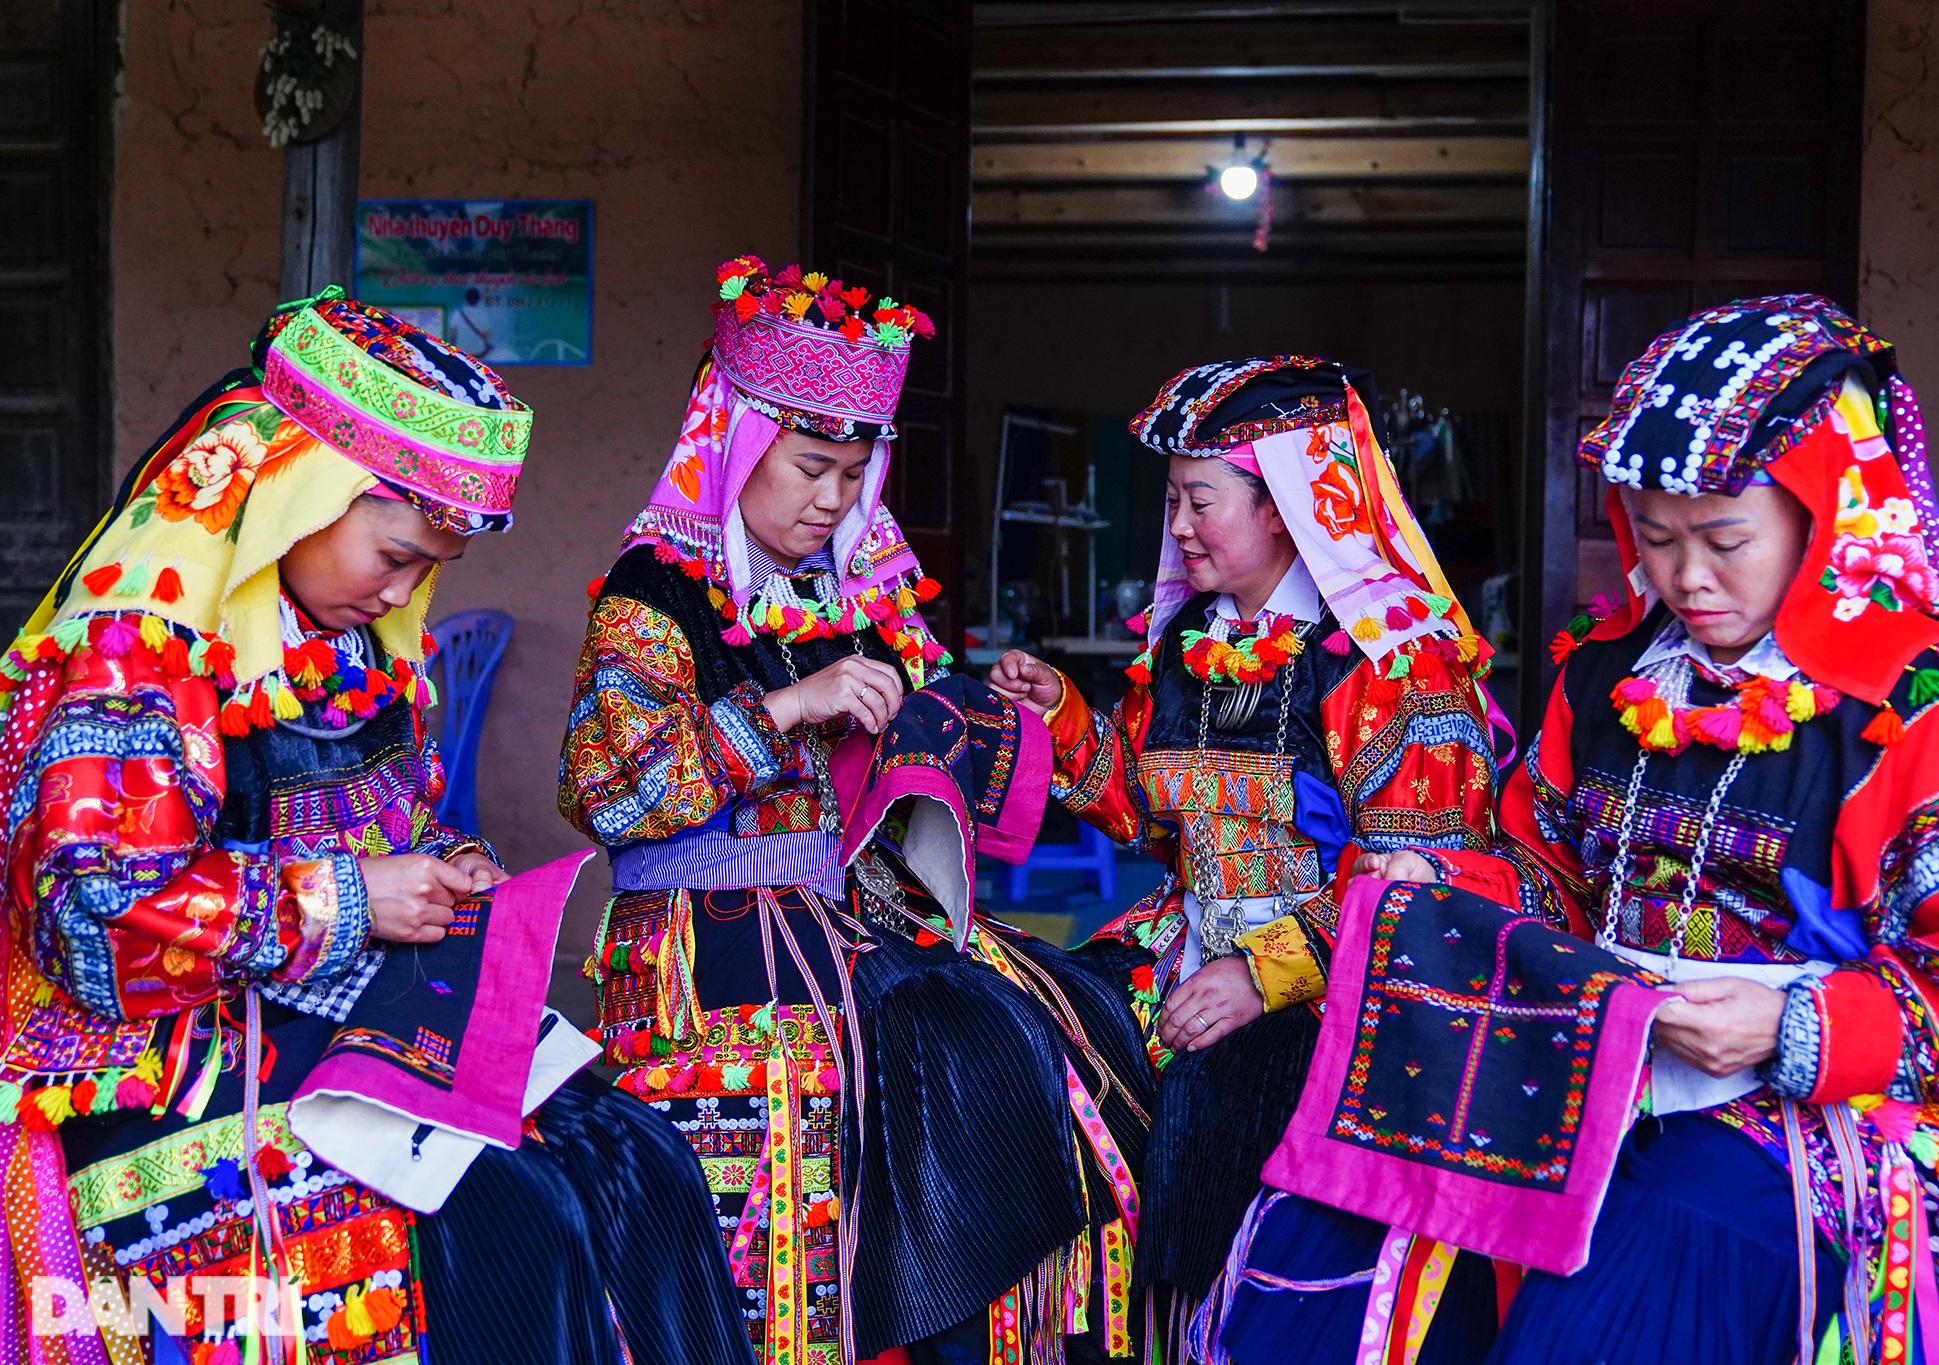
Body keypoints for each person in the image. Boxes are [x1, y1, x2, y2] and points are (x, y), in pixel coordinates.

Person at [0, 290, 750, 1365]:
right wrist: (353, 900)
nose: (407, 586)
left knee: (635, 1157)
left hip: (329, 1017)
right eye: (394, 550)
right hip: (167, 1065)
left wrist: (437, 872)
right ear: (289, 491)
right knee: (509, 1216)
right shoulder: (137, 652)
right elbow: (92, 914)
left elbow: (380, 827)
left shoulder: (345, 644)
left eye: (429, 566)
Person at [1377, 295, 1939, 1362]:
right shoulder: (1603, 675)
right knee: (1371, 1241)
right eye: (1654, 537)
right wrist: (1447, 877)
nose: (1685, 577)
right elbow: (1540, 866)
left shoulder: (1928, 718)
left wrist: (1791, 1033)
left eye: (1724, 539)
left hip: (1806, 1122)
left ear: (1819, 518)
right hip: (1591, 1062)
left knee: (1623, 1297)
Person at [559, 257, 1153, 1365]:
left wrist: (993, 715)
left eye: (852, 474)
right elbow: (609, 793)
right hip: (710, 947)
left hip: (846, 919)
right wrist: (788, 705)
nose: (831, 501)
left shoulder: (857, 593)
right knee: (775, 1229)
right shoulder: (654, 597)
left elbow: (930, 738)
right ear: (736, 447)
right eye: (808, 467)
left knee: (1045, 1041)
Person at [988, 358, 1505, 1359]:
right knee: (1018, 1031)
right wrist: (1063, 719)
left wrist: (1262, 970)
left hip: (1339, 989)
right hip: (1182, 947)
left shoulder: (1387, 660)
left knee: (1215, 1100)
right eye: (1172, 499)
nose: (1177, 525)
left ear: (1286, 506)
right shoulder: (1187, 640)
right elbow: (1144, 818)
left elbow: (1427, 876)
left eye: (1200, 499)